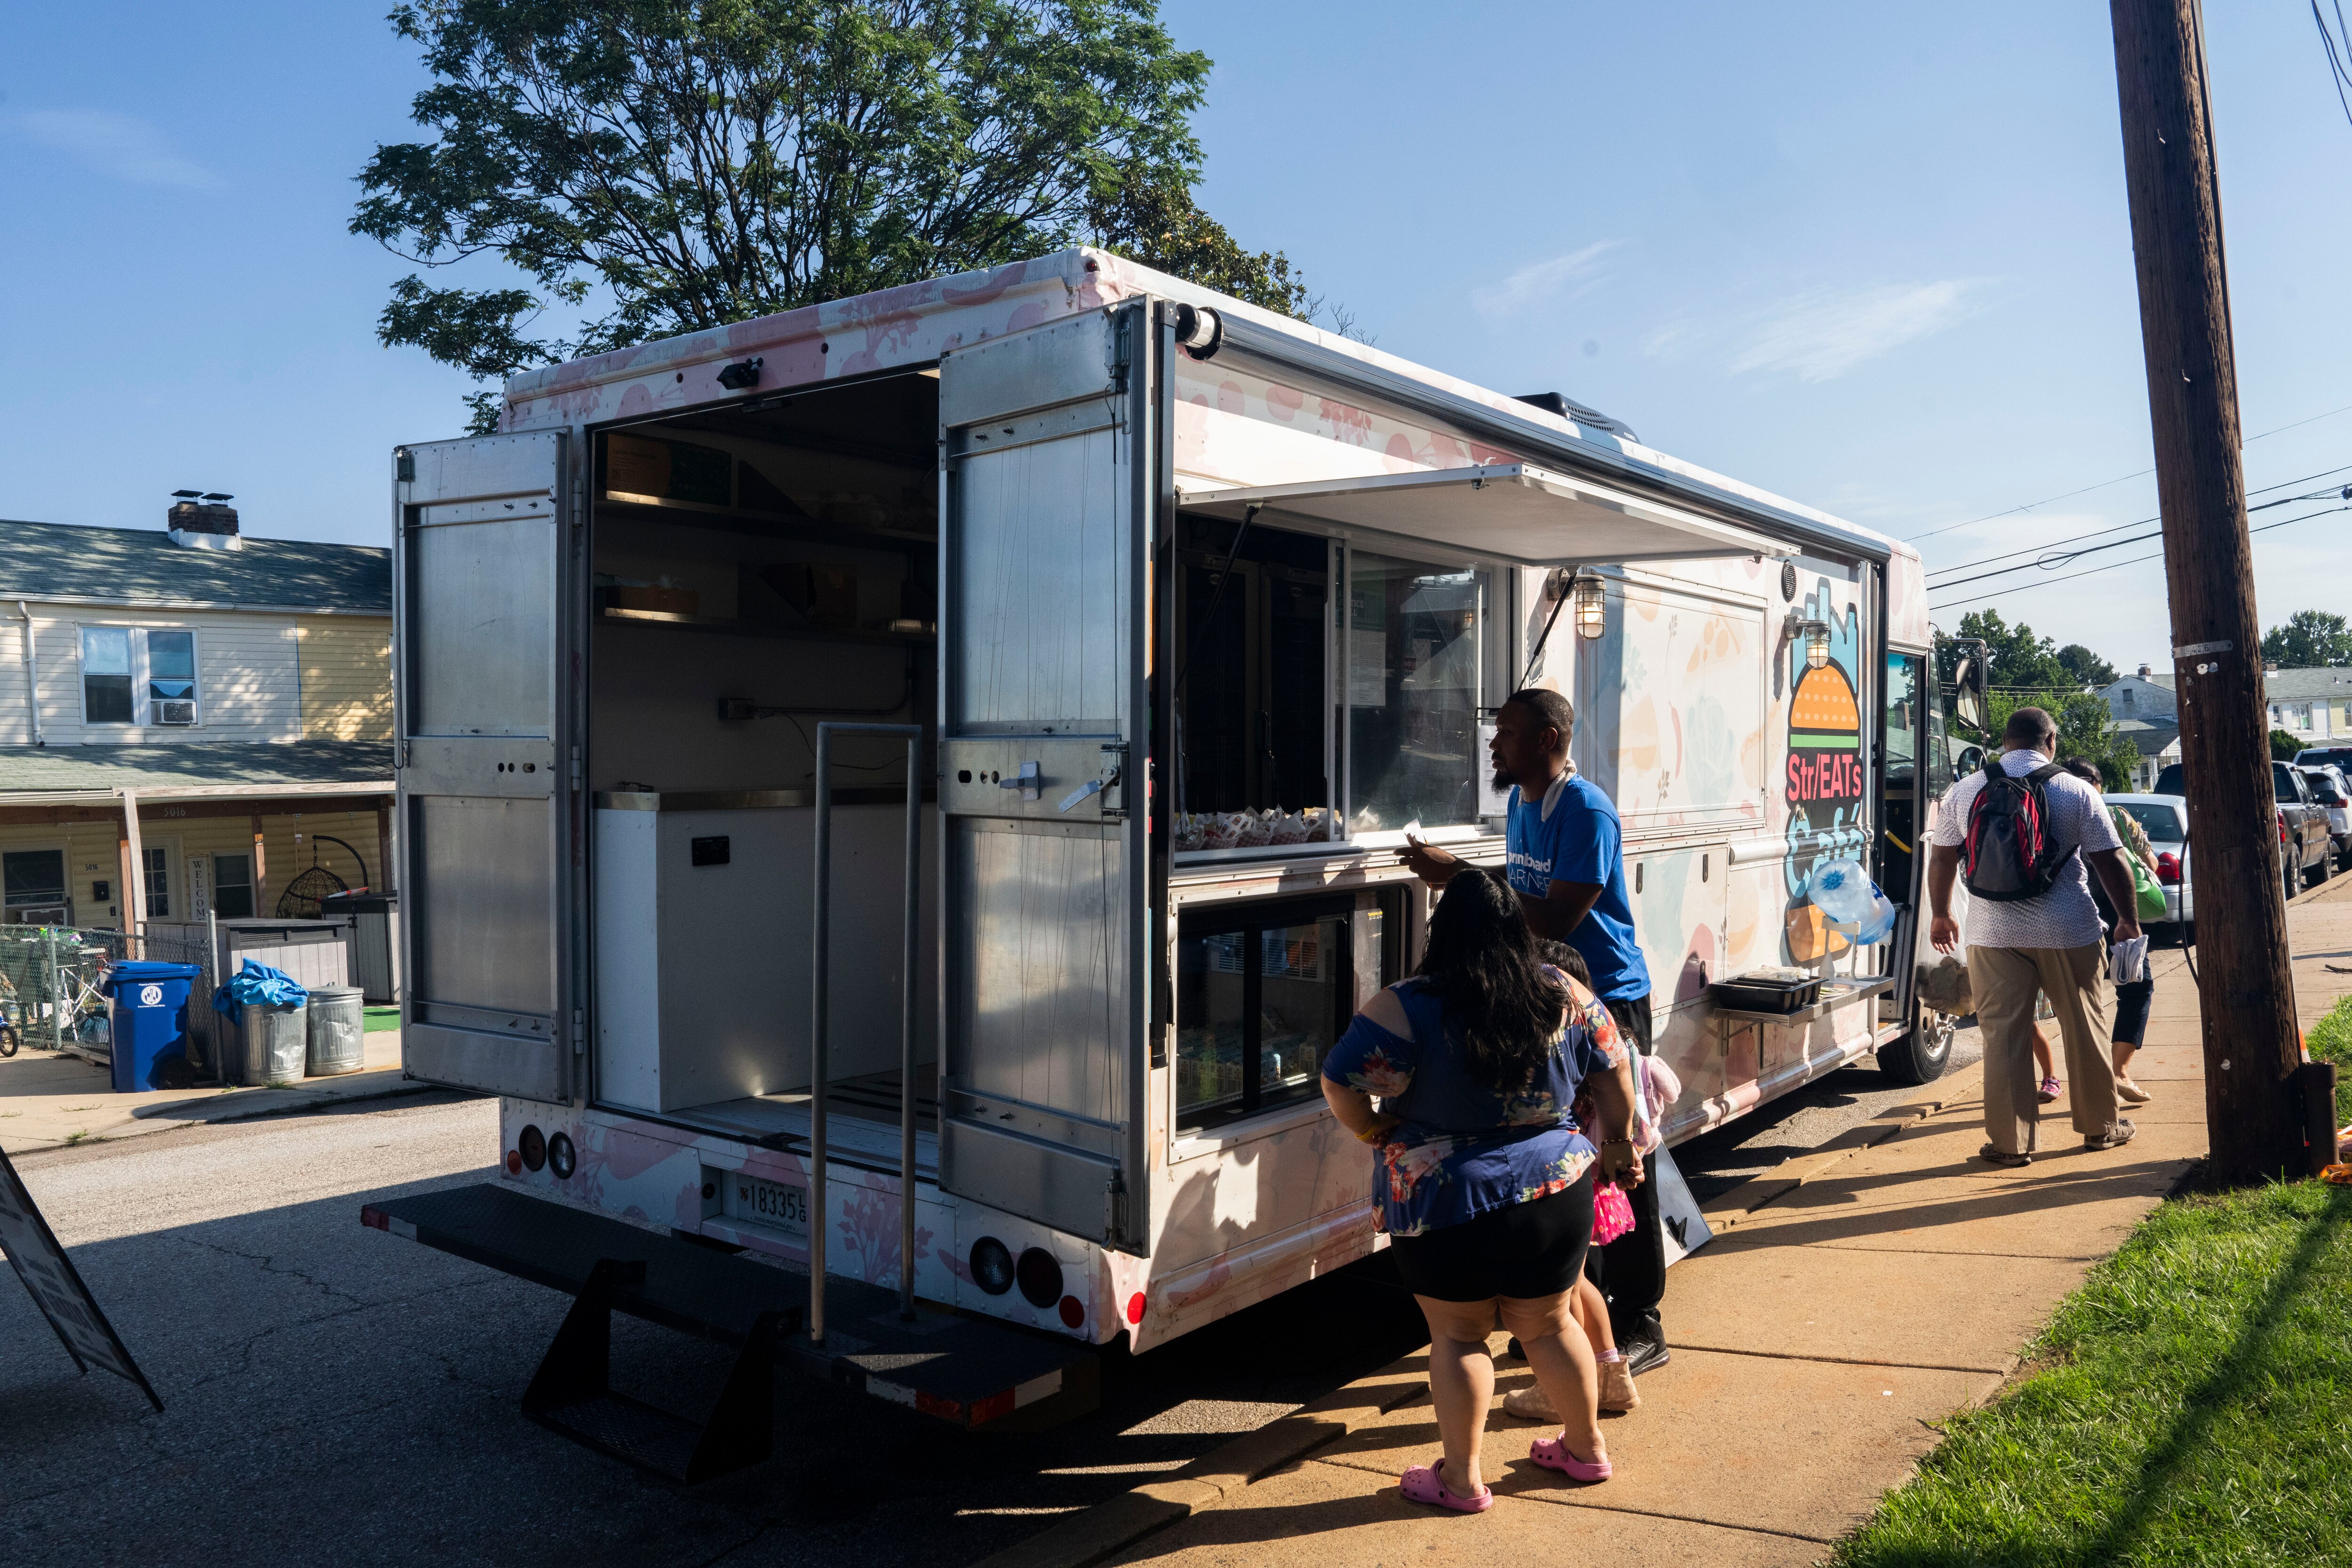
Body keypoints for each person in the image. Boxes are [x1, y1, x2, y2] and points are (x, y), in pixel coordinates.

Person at [1321, 873, 1644, 1512]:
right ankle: (1585, 1451)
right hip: (1554, 1193)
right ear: (1515, 931)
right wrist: (1618, 1144)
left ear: (1442, 931)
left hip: (1444, 1200)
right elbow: (1616, 1066)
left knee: (1461, 1339)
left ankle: (1462, 1482)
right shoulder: (1564, 992)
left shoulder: (1405, 1004)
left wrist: (1371, 1127)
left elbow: (1339, 1081)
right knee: (1551, 1326)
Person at [1397, 688, 1668, 1371]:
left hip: (1608, 999)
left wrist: (1460, 879)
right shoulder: (1523, 803)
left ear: (1548, 739)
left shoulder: (1586, 811)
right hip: (1549, 998)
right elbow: (1524, 907)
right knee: (1562, 1158)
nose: (1496, 745)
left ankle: (1642, 1320)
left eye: (1509, 733)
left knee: (1623, 1155)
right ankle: (1575, 1319)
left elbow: (1553, 919)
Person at [1926, 708, 2145, 1165]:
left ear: (2004, 742)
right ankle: (2101, 1128)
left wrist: (1942, 913)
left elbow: (1943, 859)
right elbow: (2110, 861)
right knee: (2083, 1026)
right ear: (2050, 741)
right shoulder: (2074, 790)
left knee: (2002, 1037)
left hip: (1990, 932)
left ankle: (2010, 1143)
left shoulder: (1965, 792)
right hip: (2068, 929)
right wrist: (2127, 920)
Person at [1516, 941, 1640, 1416]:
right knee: (1577, 1282)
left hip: (1567, 1183)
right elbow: (1642, 1095)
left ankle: (1563, 1388)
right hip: (1595, 1185)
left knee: (1562, 1293)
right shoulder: (1610, 1045)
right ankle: (1611, 1372)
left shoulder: (1558, 1055)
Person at [2060, 756, 2160, 1106]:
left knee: (2079, 1002)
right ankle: (2117, 1071)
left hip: (2070, 918)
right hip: (2119, 918)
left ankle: (2076, 1079)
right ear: (2096, 782)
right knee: (2136, 989)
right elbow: (2151, 863)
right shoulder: (2117, 815)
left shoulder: (2054, 810)